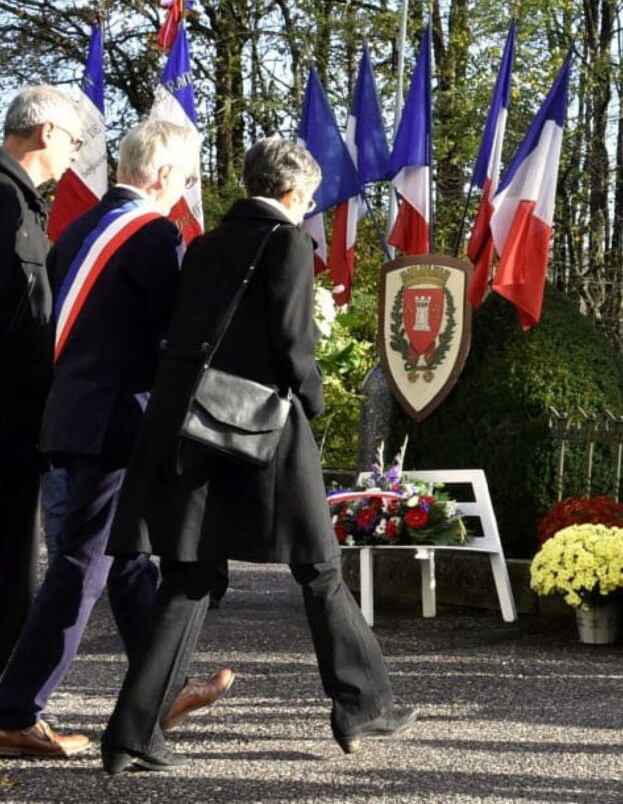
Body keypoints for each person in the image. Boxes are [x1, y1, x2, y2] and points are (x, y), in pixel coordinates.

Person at [101, 136, 415, 774]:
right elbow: (294, 344)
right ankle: (361, 703)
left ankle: (132, 734)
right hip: (265, 429)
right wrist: (317, 400)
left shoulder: (204, 246)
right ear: (294, 194)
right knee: (318, 568)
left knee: (187, 575)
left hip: (190, 426)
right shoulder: (289, 244)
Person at [0, 120, 232, 761]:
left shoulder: (74, 229)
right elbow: (174, 336)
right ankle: (15, 709)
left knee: (126, 558)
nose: (184, 192)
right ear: (162, 176)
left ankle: (161, 689)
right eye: (185, 180)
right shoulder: (154, 234)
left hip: (71, 416)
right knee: (83, 562)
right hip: (116, 424)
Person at [0, 86, 82, 671]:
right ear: (46, 133)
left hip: (21, 417)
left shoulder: (22, 202)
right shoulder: (4, 200)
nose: (74, 155)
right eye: (73, 141)